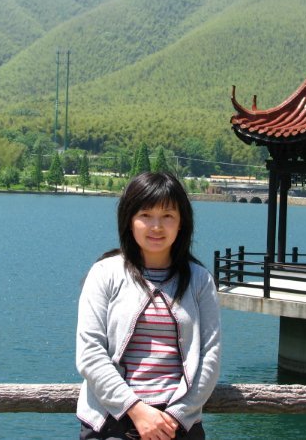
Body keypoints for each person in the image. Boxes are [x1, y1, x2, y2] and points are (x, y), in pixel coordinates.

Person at [76, 171, 221, 440]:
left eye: (168, 216)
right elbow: (90, 353)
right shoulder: (105, 273)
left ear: (181, 222)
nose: (157, 226)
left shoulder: (200, 280)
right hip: (113, 422)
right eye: (145, 215)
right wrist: (137, 411)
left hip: (178, 425)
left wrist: (176, 416)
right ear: (129, 220)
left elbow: (209, 356)